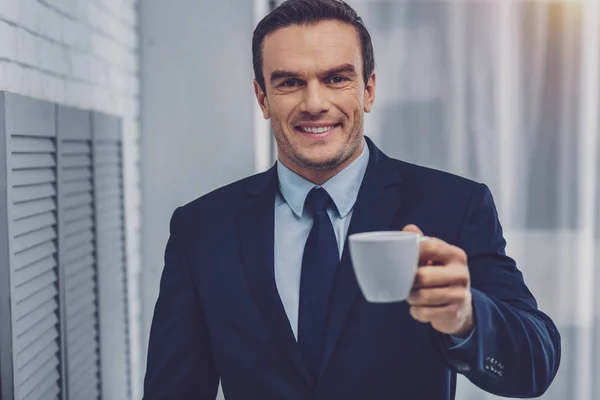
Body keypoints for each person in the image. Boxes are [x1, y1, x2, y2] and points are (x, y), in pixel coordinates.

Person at [143, 0, 561, 399]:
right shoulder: (201, 230)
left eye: (336, 78)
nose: (314, 103)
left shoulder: (454, 206)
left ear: (369, 89)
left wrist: (466, 316)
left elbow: (537, 363)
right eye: (290, 82)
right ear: (262, 98)